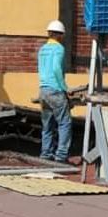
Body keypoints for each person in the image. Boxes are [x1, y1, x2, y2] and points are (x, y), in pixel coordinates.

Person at [38, 20, 72, 163]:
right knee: (64, 123)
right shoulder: (59, 48)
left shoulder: (42, 49)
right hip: (55, 91)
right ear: (60, 35)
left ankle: (45, 154)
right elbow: (57, 68)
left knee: (47, 125)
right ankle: (61, 156)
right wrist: (65, 88)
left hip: (43, 91)